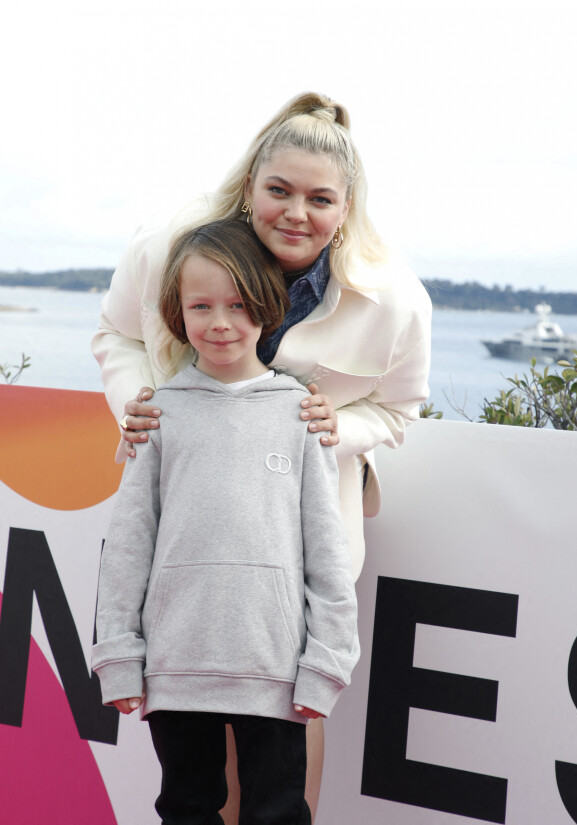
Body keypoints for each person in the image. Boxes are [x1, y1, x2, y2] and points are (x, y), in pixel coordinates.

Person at [92, 91, 431, 818]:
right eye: (278, 189)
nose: (296, 213)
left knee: (281, 767)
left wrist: (332, 424)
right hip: (188, 545)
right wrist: (144, 403)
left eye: (320, 198)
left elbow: (400, 407)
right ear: (250, 184)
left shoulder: (395, 297)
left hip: (292, 544)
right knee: (192, 783)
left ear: (347, 206)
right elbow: (116, 334)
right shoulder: (170, 247)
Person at [92, 219, 360, 825]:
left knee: (277, 813)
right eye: (201, 305)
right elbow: (129, 547)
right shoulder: (157, 415)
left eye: (239, 305)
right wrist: (118, 656)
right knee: (186, 809)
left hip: (276, 670)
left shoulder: (300, 414)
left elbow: (327, 552)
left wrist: (328, 662)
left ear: (268, 308)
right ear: (176, 311)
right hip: (175, 670)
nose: (220, 322)